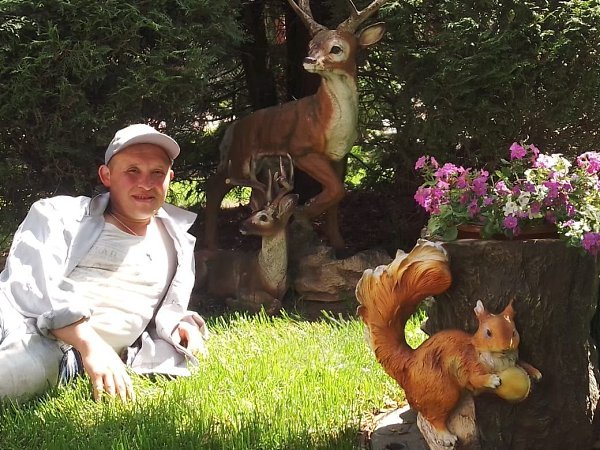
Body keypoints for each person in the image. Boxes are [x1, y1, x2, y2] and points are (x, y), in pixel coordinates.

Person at [0, 123, 208, 402]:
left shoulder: (177, 243)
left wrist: (181, 322)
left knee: (14, 373)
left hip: (57, 353)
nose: (145, 183)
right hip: (17, 320)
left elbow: (159, 304)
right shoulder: (59, 214)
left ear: (170, 178)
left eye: (157, 173)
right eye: (132, 171)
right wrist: (91, 344)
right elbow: (32, 285)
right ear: (106, 175)